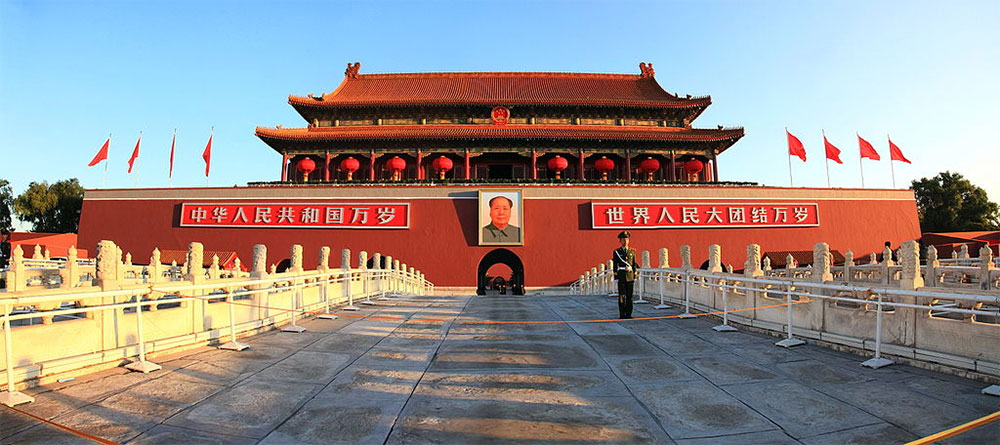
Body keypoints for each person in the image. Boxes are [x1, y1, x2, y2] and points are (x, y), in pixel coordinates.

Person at [612, 230, 639, 319]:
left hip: (630, 276)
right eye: (623, 239)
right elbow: (615, 265)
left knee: (629, 296)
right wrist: (616, 277)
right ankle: (622, 314)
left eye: (627, 239)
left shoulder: (632, 251)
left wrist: (635, 275)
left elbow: (634, 264)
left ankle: (629, 314)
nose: (625, 241)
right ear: (620, 241)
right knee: (621, 296)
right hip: (621, 276)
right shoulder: (617, 252)